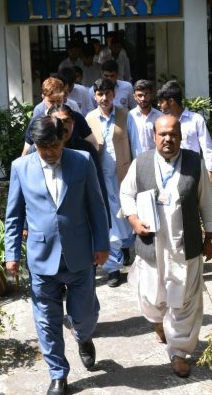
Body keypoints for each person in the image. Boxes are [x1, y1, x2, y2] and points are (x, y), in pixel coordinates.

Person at [5, 116, 110, 395]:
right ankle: (58, 374)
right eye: (43, 147)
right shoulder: (20, 167)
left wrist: (102, 244)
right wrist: (11, 253)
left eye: (54, 146)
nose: (50, 152)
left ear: (63, 139)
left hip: (80, 254)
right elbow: (13, 216)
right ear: (35, 144)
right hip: (41, 257)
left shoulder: (82, 161)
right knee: (46, 321)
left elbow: (97, 206)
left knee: (84, 315)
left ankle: (83, 336)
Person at [119, 114, 212, 378]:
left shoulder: (194, 163)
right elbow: (126, 194)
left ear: (180, 137)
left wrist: (210, 237)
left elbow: (206, 202)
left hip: (184, 246)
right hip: (152, 244)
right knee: (152, 297)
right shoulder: (141, 163)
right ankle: (158, 320)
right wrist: (133, 219)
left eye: (173, 134)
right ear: (154, 137)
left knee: (185, 300)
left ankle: (179, 351)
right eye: (162, 134)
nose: (168, 139)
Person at [85, 78, 138, 287]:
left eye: (107, 93)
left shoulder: (126, 115)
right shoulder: (89, 118)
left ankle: (128, 253)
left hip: (124, 177)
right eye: (100, 94)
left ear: (114, 95)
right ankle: (113, 269)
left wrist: (139, 172)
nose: (104, 98)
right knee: (109, 222)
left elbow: (136, 145)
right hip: (100, 179)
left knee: (128, 216)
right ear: (94, 96)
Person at [156, 81, 212, 191]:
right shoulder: (161, 122)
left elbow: (207, 148)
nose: (158, 105)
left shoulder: (196, 119)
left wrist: (211, 174)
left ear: (171, 101)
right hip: (169, 172)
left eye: (161, 101)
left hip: (193, 172)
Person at [22, 77, 97, 156]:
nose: (55, 105)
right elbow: (26, 152)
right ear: (43, 97)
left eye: (59, 101)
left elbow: (94, 144)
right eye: (51, 101)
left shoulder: (76, 117)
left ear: (64, 98)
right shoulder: (37, 120)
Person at [128, 79, 162, 156]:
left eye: (146, 95)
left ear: (151, 95)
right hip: (136, 160)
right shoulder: (129, 116)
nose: (143, 99)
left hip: (155, 160)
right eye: (140, 95)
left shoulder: (160, 117)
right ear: (134, 96)